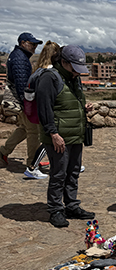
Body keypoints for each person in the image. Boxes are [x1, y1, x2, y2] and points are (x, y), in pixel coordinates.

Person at [37, 45, 95, 228]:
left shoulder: (73, 78)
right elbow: (44, 109)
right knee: (59, 174)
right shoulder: (49, 78)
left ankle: (71, 205)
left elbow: (69, 101)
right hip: (58, 136)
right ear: (64, 62)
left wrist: (83, 107)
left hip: (75, 135)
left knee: (73, 172)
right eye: (75, 68)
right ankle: (55, 209)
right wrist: (53, 133)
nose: (78, 73)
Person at [0, 32, 43, 177]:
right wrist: (28, 105)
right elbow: (22, 84)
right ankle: (33, 163)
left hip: (22, 101)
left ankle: (3, 152)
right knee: (33, 132)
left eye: (36, 45)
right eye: (32, 44)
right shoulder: (20, 59)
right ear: (23, 43)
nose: (35, 47)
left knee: (24, 129)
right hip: (24, 101)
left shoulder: (18, 56)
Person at [24, 41, 61, 177]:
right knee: (50, 140)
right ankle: (32, 167)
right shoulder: (50, 72)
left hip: (35, 110)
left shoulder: (37, 71)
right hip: (48, 111)